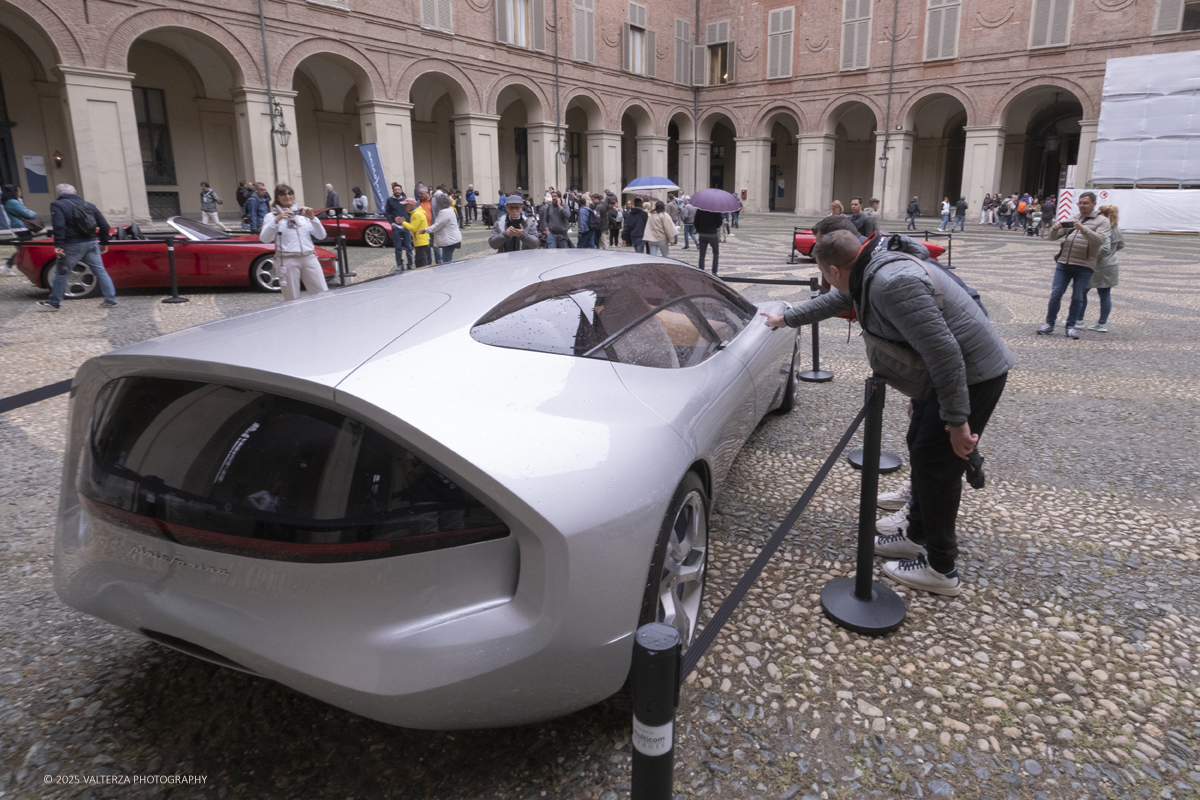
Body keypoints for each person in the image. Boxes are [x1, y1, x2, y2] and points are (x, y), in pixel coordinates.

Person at [761, 229, 1012, 596]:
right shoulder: (867, 265)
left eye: (824, 276)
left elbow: (945, 354)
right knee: (922, 449)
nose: (828, 283)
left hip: (973, 374)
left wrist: (957, 422)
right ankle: (916, 534)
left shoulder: (891, 284)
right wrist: (787, 318)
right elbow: (839, 300)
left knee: (939, 466)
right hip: (946, 375)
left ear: (833, 268)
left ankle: (941, 568)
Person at [1037, 191, 1111, 340]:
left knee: (1077, 297)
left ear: (1094, 204)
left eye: (1085, 203)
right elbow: (1052, 238)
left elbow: (1100, 240)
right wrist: (1055, 228)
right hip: (1064, 263)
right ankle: (1049, 324)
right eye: (1080, 203)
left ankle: (1070, 326)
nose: (1082, 206)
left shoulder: (1102, 221)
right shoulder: (1073, 218)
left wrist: (1083, 228)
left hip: (1084, 265)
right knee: (1055, 294)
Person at [37, 183, 118, 311]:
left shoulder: (58, 205)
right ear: (74, 192)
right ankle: (110, 300)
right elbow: (104, 226)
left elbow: (59, 226)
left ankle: (54, 303)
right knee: (100, 272)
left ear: (59, 194)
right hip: (91, 243)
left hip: (71, 245)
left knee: (61, 273)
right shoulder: (89, 205)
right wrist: (104, 242)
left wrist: (58, 245)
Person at [259, 184, 329, 302]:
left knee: (322, 293)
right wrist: (277, 220)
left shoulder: (302, 215)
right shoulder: (271, 216)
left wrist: (313, 218)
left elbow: (321, 236)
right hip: (287, 259)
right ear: (277, 197)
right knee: (291, 298)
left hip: (308, 257)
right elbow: (264, 239)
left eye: (289, 193)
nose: (287, 196)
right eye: (283, 194)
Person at [1079, 204, 1122, 333]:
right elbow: (1121, 244)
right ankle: (1102, 323)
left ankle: (1078, 319)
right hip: (1111, 264)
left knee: (1082, 291)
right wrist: (1111, 254)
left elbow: (1103, 248)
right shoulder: (1117, 228)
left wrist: (1090, 256)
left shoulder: (1102, 227)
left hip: (1096, 264)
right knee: (1105, 295)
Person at [424, 193, 463, 263]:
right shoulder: (450, 209)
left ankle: (448, 273)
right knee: (447, 257)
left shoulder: (444, 212)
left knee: (446, 261)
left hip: (449, 240)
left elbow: (437, 225)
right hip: (452, 238)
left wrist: (426, 230)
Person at [384, 183, 413, 271]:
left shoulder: (405, 200)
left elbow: (409, 212)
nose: (397, 191)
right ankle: (400, 265)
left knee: (409, 247)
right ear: (393, 190)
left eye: (398, 189)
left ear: (401, 190)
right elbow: (387, 212)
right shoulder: (389, 200)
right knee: (398, 248)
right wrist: (392, 223)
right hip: (396, 227)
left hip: (405, 226)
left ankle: (410, 264)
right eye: (395, 190)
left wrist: (408, 221)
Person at [401, 197, 432, 266]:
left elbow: (413, 228)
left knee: (422, 264)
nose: (404, 207)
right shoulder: (415, 213)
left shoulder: (416, 214)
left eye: (405, 205)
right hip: (421, 241)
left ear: (410, 205)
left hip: (421, 242)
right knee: (422, 262)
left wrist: (403, 223)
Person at [694, 206, 723, 274]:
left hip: (702, 234)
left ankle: (701, 270)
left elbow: (695, 222)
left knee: (702, 254)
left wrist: (699, 229)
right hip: (713, 234)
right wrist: (714, 227)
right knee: (715, 253)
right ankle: (714, 271)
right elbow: (720, 222)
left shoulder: (700, 210)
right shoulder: (716, 210)